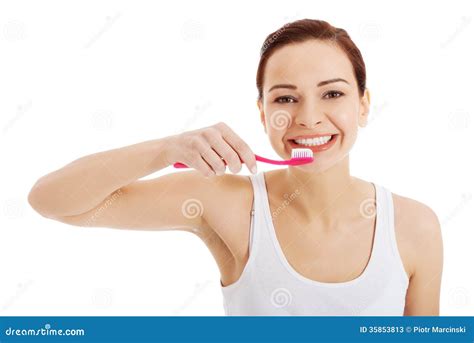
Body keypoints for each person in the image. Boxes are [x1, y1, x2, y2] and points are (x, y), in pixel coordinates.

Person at [28, 19, 443, 316]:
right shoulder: (226, 202)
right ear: (262, 115)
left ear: (364, 105)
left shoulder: (416, 226)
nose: (310, 118)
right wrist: (166, 148)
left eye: (332, 93)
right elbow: (50, 200)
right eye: (285, 99)